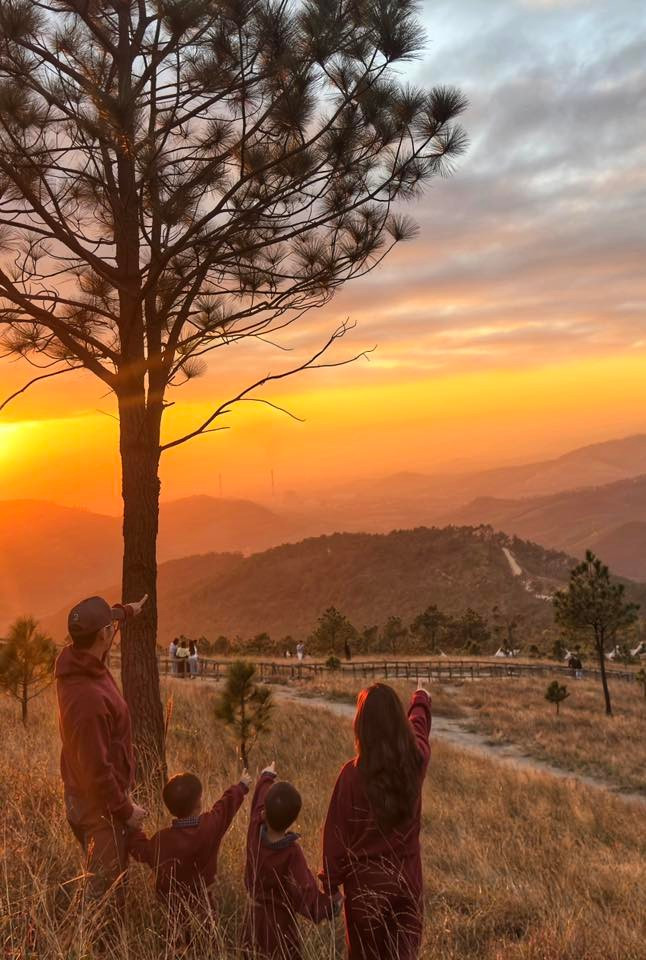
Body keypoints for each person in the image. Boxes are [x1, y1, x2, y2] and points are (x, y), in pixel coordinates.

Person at [321, 681, 432, 960]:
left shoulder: (351, 776)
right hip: (407, 884)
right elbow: (419, 727)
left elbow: (335, 836)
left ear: (362, 726)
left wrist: (331, 885)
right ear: (399, 722)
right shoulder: (415, 762)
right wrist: (421, 698)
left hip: (364, 892)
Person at [55, 593, 148, 904]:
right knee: (105, 897)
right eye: (111, 626)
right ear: (104, 636)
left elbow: (107, 619)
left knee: (109, 880)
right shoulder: (89, 701)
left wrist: (126, 611)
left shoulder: (79, 659)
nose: (113, 627)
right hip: (97, 809)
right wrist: (126, 810)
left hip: (91, 799)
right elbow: (97, 770)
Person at [129, 769, 251, 930]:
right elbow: (225, 808)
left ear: (170, 809)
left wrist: (132, 826)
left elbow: (141, 851)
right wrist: (241, 786)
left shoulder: (161, 840)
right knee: (206, 946)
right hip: (205, 908)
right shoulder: (209, 827)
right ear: (199, 802)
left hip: (172, 912)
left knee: (178, 947)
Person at [245, 762, 341, 959]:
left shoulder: (256, 829)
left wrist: (266, 776)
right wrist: (331, 906)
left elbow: (259, 803)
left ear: (265, 813)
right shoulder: (291, 853)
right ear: (293, 820)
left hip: (253, 921)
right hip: (282, 927)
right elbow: (305, 891)